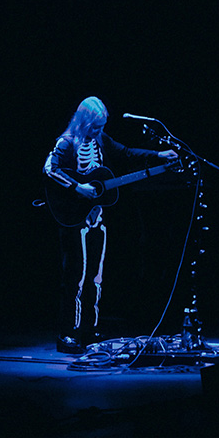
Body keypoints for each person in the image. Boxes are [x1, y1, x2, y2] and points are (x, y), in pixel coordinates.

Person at [43, 96, 178, 353]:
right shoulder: (67, 143)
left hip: (97, 218)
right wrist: (78, 187)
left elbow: (126, 152)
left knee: (96, 276)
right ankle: (68, 333)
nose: (98, 131)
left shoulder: (101, 140)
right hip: (74, 217)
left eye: (101, 126)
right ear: (84, 122)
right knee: (76, 277)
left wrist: (158, 154)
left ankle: (89, 329)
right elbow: (50, 169)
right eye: (94, 126)